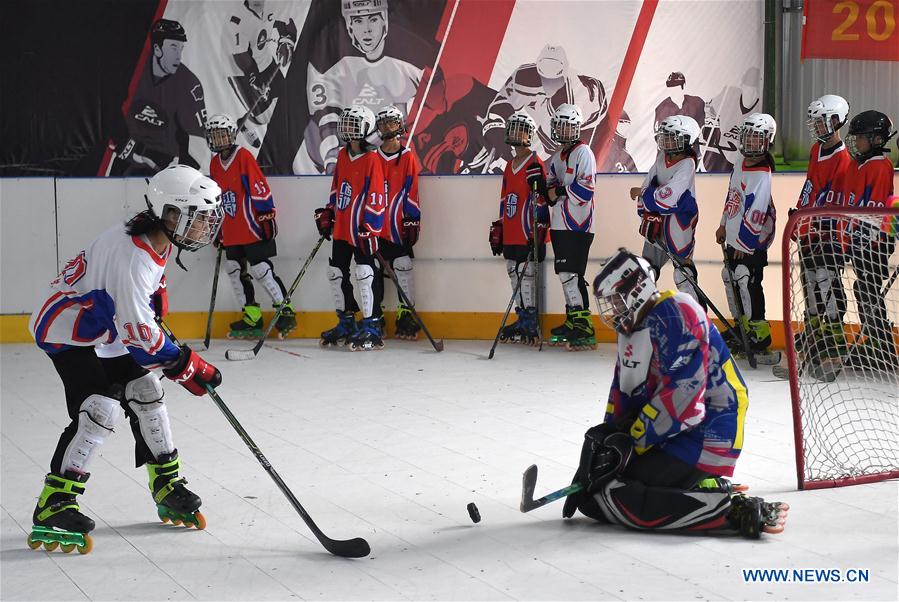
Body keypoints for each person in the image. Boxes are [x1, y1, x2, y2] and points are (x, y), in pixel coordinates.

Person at [26, 165, 224, 553]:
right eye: (198, 216)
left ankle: (166, 483)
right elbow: (144, 341)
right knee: (100, 409)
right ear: (171, 214)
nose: (205, 225)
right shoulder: (132, 257)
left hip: (106, 324)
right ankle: (54, 504)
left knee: (147, 390)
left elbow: (143, 311)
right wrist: (188, 366)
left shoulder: (157, 239)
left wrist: (159, 328)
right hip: (70, 331)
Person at [561, 248, 789, 539]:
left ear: (636, 290)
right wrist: (603, 448)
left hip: (712, 427)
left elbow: (684, 400)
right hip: (673, 430)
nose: (613, 310)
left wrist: (633, 442)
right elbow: (623, 392)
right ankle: (700, 488)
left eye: (616, 300)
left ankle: (730, 511)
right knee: (598, 497)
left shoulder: (679, 312)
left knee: (622, 499)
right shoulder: (631, 330)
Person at [206, 114, 296, 339]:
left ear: (231, 135)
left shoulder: (243, 156)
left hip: (252, 227)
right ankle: (252, 316)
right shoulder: (214, 163)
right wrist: (217, 228)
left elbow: (259, 187)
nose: (219, 139)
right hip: (231, 229)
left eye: (222, 134)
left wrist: (266, 215)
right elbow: (216, 197)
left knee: (261, 270)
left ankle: (284, 311)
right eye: (214, 135)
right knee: (235, 270)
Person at [526, 104, 597, 350]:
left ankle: (583, 325)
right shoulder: (558, 156)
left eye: (568, 125)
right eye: (559, 124)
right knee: (564, 274)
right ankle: (572, 319)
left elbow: (586, 190)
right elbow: (550, 192)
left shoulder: (584, 152)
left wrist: (559, 191)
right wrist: (539, 182)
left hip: (578, 224)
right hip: (560, 224)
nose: (563, 130)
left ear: (576, 127)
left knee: (572, 273)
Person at [314, 105, 386, 348]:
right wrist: (329, 211)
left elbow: (377, 194)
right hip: (343, 227)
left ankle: (371, 325)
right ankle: (346, 321)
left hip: (362, 229)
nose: (347, 129)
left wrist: (372, 226)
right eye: (345, 124)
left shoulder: (373, 158)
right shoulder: (344, 155)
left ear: (365, 129)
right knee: (336, 272)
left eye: (353, 124)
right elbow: (337, 186)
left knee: (365, 274)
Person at [793, 94, 852, 361]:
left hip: (828, 231)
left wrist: (825, 225)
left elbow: (837, 197)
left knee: (826, 278)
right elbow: (810, 186)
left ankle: (835, 333)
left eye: (821, 121)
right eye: (815, 122)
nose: (816, 127)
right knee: (809, 278)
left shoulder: (843, 158)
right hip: (810, 227)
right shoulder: (816, 151)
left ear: (836, 121)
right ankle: (815, 330)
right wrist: (799, 215)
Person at [480, 44, 608, 166]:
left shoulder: (573, 94)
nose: (548, 85)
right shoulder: (523, 76)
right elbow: (500, 104)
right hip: (545, 113)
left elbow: (558, 145)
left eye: (554, 80)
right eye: (545, 78)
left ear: (564, 74)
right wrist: (496, 128)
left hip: (590, 121)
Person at [110, 19, 208, 175]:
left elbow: (199, 144)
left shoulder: (189, 84)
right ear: (157, 49)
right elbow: (108, 112)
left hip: (164, 166)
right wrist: (130, 148)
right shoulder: (132, 72)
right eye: (173, 48)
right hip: (126, 158)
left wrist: (181, 175)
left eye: (181, 49)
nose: (178, 56)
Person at [715, 113, 778, 358]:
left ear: (767, 141)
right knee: (731, 277)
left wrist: (745, 242)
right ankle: (742, 326)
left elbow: (758, 209)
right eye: (748, 137)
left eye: (757, 138)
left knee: (748, 280)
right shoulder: (740, 161)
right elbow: (732, 195)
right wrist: (723, 223)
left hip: (752, 240)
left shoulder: (762, 173)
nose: (751, 143)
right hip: (734, 233)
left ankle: (759, 332)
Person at [841, 110, 897, 369]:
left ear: (876, 139)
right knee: (863, 288)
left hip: (875, 242)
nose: (856, 141)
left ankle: (880, 346)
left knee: (867, 289)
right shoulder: (858, 164)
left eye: (861, 137)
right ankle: (876, 340)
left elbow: (874, 207)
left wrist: (863, 238)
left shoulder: (880, 166)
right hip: (860, 239)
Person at [630, 115, 704, 308]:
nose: (667, 140)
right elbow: (648, 189)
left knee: (683, 275)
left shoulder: (687, 163)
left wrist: (647, 195)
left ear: (686, 140)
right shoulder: (662, 157)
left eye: (672, 136)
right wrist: (647, 203)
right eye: (666, 136)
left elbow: (667, 199)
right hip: (656, 224)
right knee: (646, 272)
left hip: (679, 225)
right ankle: (642, 317)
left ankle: (698, 318)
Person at [488, 111, 549, 344]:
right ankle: (522, 315)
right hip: (512, 230)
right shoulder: (509, 166)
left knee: (527, 273)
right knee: (513, 270)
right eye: (512, 128)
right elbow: (505, 199)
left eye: (521, 129)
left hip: (528, 230)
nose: (515, 133)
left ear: (529, 135)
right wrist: (500, 226)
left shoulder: (535, 162)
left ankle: (531, 320)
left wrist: (540, 227)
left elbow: (541, 199)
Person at [373, 105, 422, 340]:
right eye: (383, 123)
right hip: (374, 225)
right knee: (371, 270)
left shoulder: (408, 156)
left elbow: (412, 190)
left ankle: (406, 314)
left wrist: (413, 220)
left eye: (391, 122)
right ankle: (375, 315)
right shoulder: (372, 157)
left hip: (396, 224)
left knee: (402, 265)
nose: (387, 127)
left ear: (400, 124)